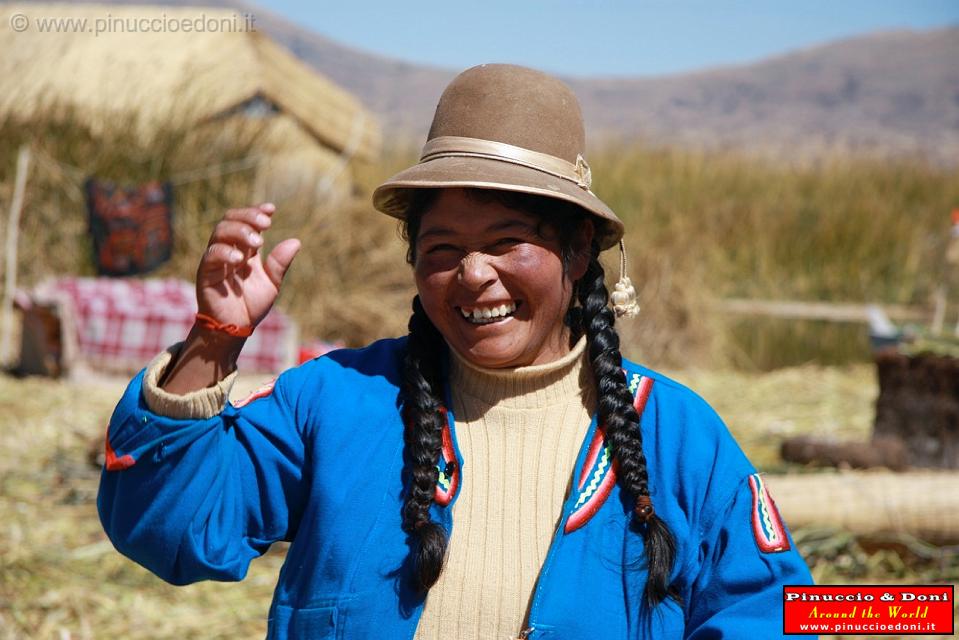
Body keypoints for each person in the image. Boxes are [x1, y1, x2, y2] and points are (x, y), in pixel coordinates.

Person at [98, 64, 815, 639]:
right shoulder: (338, 401)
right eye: (442, 249)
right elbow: (170, 530)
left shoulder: (676, 436)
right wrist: (214, 338)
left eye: (507, 242)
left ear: (575, 251)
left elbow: (769, 611)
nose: (473, 274)